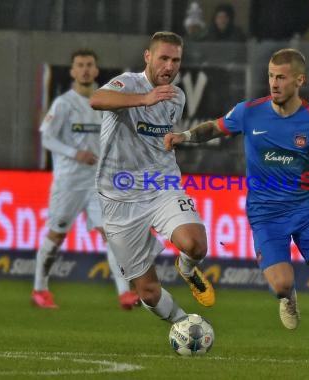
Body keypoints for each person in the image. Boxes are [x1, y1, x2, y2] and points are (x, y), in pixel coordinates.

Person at [165, 48, 309, 361]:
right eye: (270, 76)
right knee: (280, 285)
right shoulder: (249, 112)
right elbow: (215, 127)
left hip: (305, 210)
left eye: (281, 77)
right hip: (265, 215)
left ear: (299, 80)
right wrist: (183, 135)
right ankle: (287, 296)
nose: (274, 83)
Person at [89, 32, 215, 325]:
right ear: (148, 56)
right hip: (117, 197)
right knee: (148, 291)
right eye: (163, 58)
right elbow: (96, 100)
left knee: (196, 244)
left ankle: (186, 268)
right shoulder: (128, 84)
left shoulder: (176, 97)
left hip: (162, 186)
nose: (169, 66)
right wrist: (143, 99)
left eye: (176, 60)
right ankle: (185, 323)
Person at [32, 49, 139, 310]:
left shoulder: (104, 102)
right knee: (56, 236)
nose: (85, 70)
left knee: (111, 234)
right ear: (72, 71)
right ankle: (40, 289)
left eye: (89, 65)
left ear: (96, 70)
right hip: (68, 183)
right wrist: (74, 153)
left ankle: (125, 292)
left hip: (97, 184)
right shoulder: (63, 104)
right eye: (79, 65)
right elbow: (47, 138)